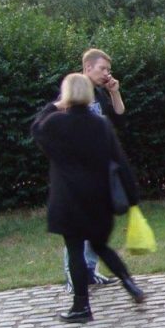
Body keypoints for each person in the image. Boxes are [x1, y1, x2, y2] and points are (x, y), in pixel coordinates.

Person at [32, 73, 146, 323]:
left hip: (69, 197)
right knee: (100, 245)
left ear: (67, 95)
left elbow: (36, 128)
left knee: (75, 250)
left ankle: (81, 306)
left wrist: (54, 105)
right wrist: (133, 198)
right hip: (99, 197)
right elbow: (121, 162)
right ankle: (129, 284)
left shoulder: (55, 123)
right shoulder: (101, 124)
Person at [64, 48, 127, 290]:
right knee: (77, 226)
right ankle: (74, 274)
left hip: (100, 169)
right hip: (78, 171)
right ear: (87, 67)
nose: (106, 73)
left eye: (108, 70)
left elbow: (119, 119)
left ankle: (90, 270)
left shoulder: (100, 93)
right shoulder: (73, 92)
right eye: (102, 69)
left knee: (96, 223)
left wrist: (115, 92)